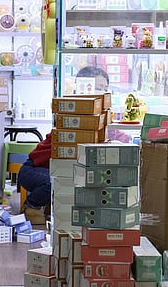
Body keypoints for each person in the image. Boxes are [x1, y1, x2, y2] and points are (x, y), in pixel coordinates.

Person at [17, 66, 112, 223]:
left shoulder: (95, 121)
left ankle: (50, 211)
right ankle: (30, 206)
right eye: (98, 87)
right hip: (32, 170)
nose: (102, 92)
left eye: (105, 89)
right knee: (56, 181)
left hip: (53, 170)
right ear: (84, 86)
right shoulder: (76, 121)